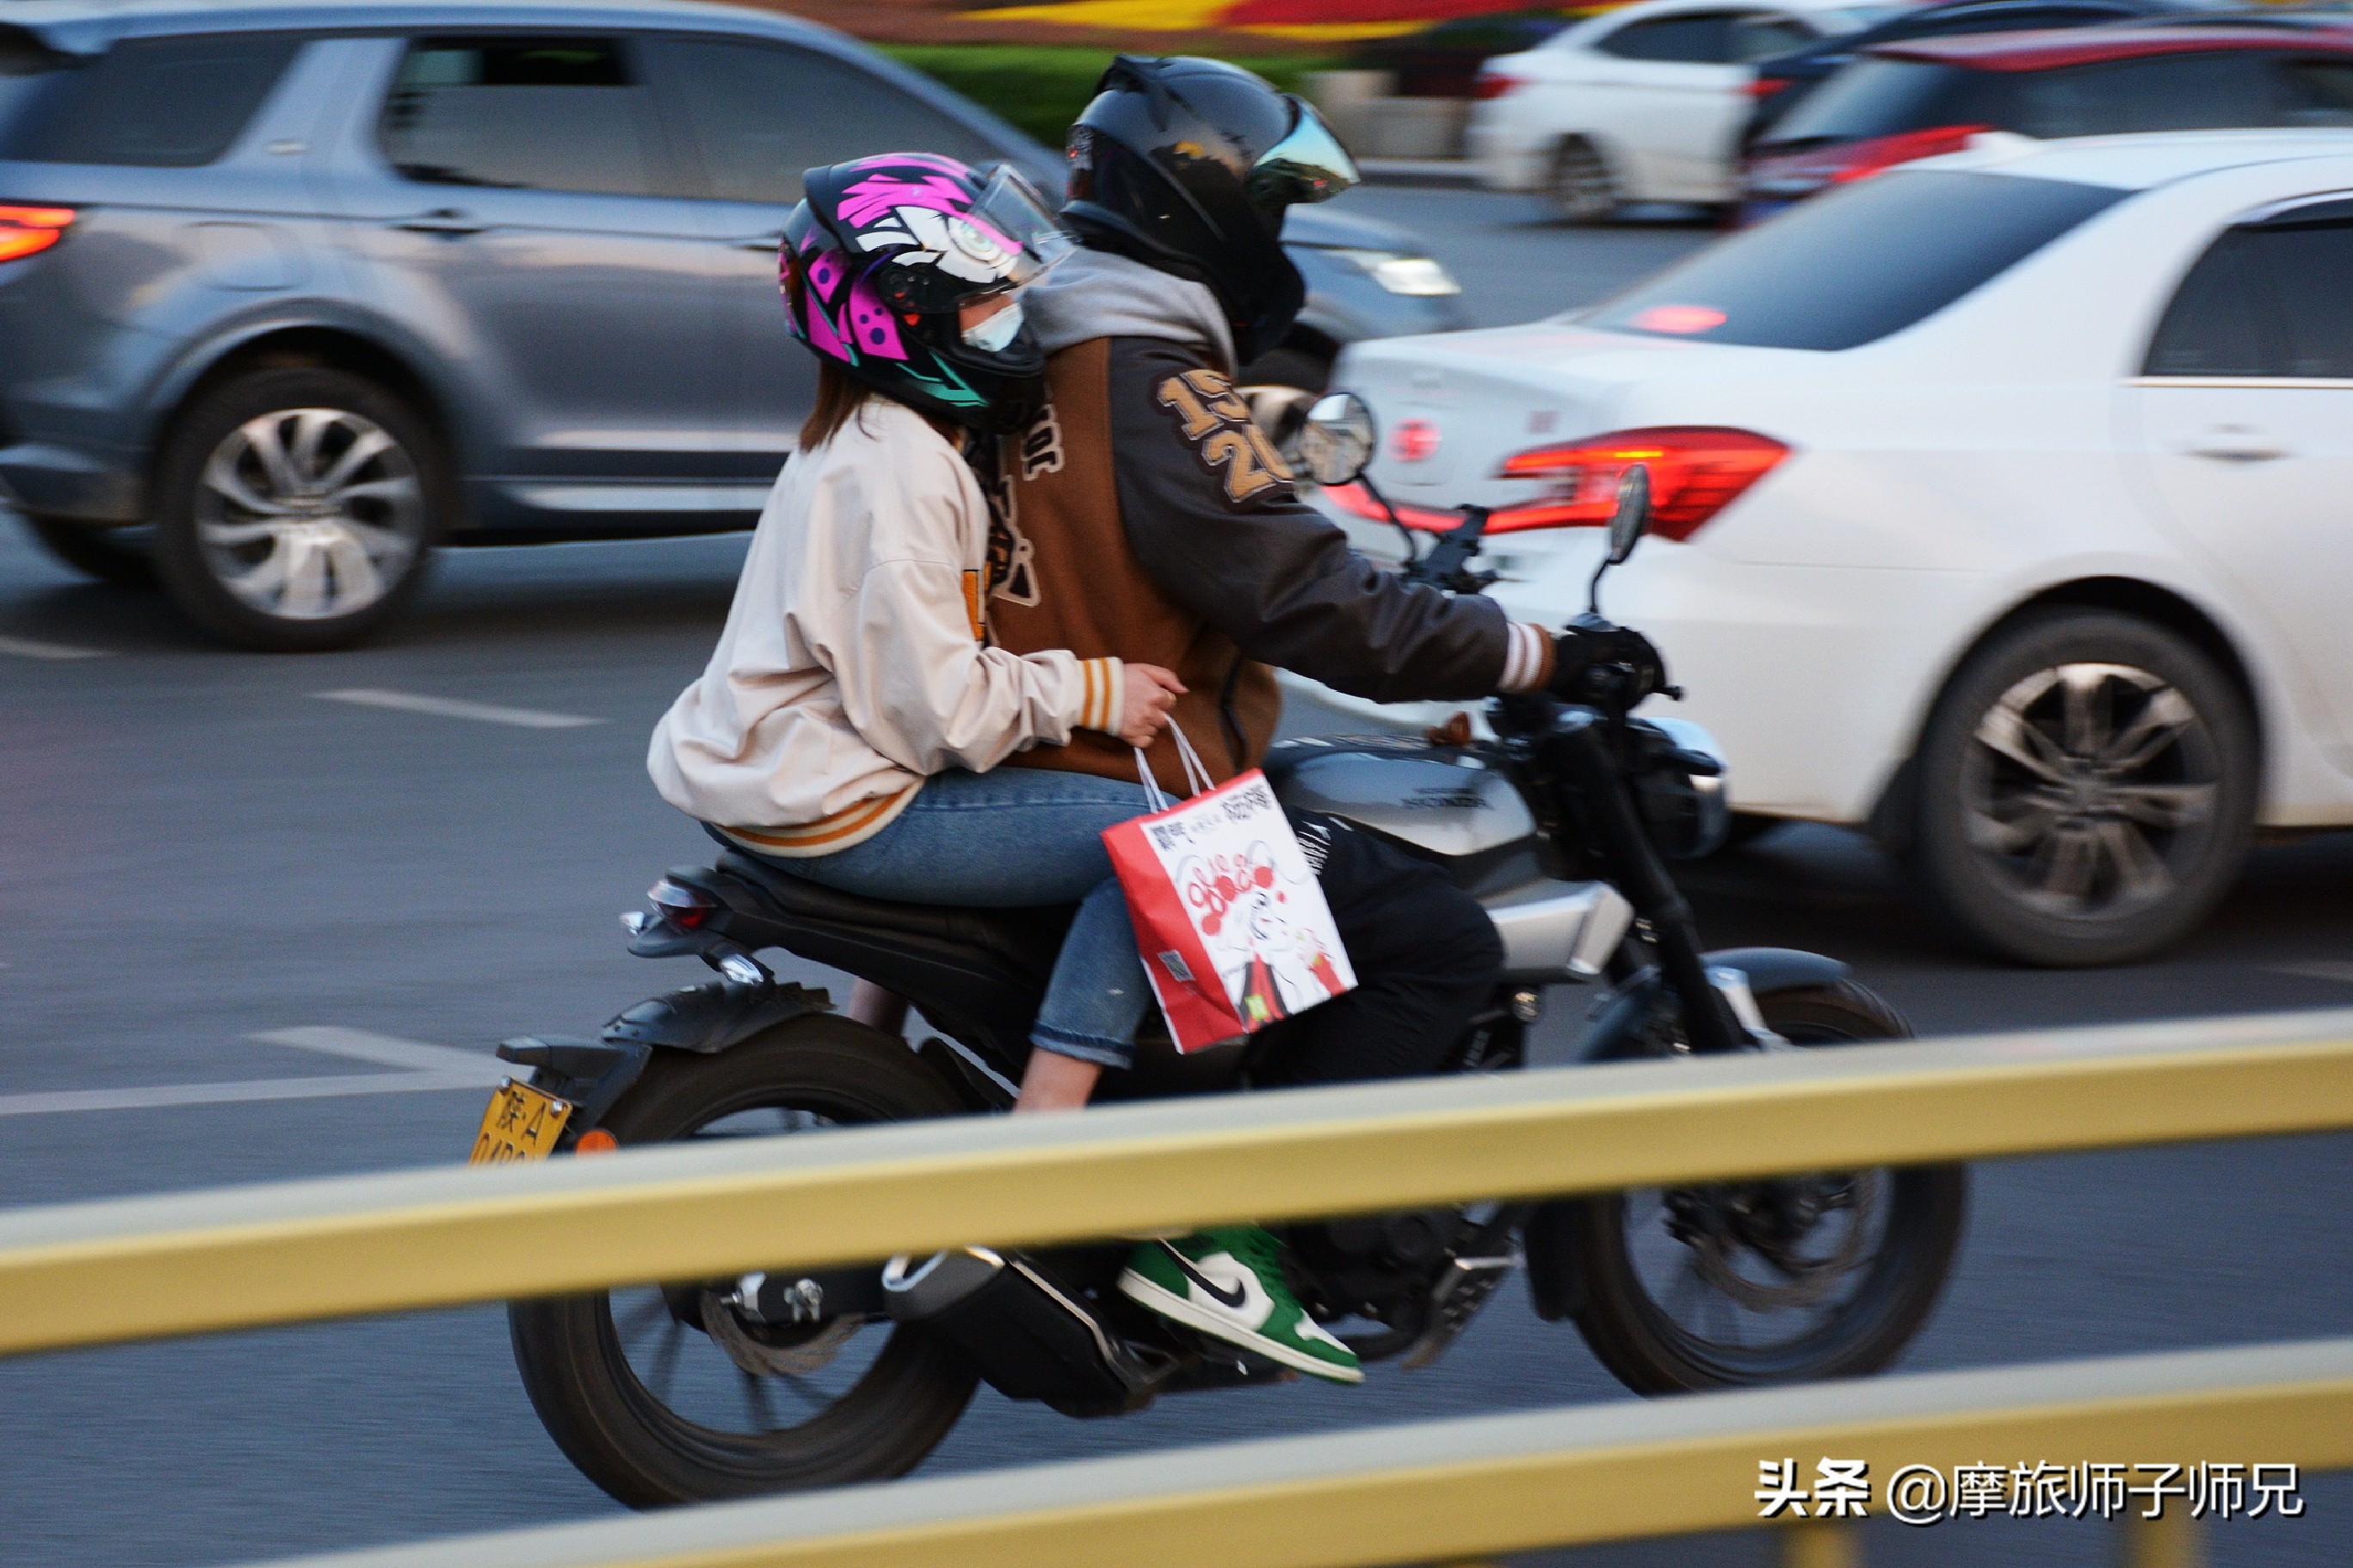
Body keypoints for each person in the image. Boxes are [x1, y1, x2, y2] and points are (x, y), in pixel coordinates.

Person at [954, 57, 1634, 1383]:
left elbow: (1209, 564)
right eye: (1269, 207)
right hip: (1134, 780)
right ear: (1202, 206)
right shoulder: (1155, 383)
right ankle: (1244, 1231)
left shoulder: (1032, 343)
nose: (1276, 240)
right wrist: (1534, 650)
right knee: (1436, 938)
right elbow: (1315, 602)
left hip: (1015, 749)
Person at [647, 153, 1186, 1096]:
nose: (1016, 315)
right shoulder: (903, 472)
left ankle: (873, 1071)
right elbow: (940, 716)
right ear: (908, 318)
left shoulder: (862, 435)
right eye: (989, 300)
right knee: (1164, 840)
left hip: (782, 773)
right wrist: (1095, 690)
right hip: (835, 804)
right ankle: (1052, 1125)